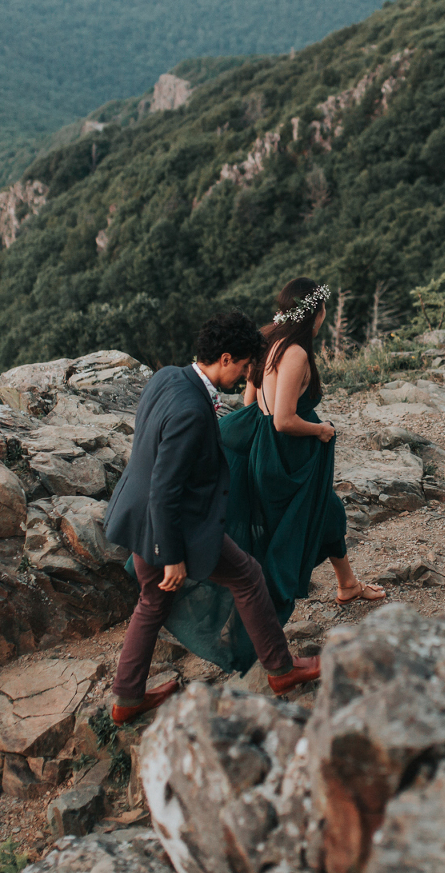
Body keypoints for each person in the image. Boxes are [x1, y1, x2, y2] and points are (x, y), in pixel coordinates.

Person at [101, 311, 320, 723]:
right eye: (242, 366)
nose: (243, 376)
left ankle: (127, 699)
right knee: (248, 575)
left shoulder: (168, 376)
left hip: (137, 513)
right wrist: (171, 554)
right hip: (169, 526)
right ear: (224, 358)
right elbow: (166, 488)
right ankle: (281, 669)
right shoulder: (191, 410)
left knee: (152, 602)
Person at [157, 278, 385, 673]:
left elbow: (250, 395)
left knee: (327, 510)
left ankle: (347, 584)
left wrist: (254, 424)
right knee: (287, 533)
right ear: (316, 313)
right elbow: (282, 420)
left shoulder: (267, 338)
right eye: (323, 310)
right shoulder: (294, 351)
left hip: (262, 443)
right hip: (286, 456)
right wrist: (321, 430)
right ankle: (254, 631)